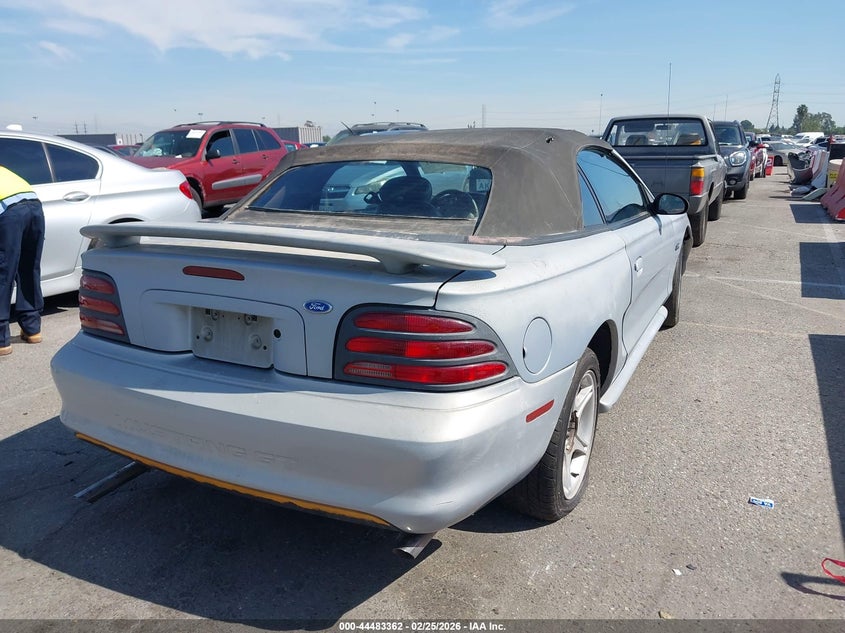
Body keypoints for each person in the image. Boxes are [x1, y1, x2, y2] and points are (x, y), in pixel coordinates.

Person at [0, 165, 45, 356]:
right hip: (34, 206)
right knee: (28, 268)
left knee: (3, 273)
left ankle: (1, 340)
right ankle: (32, 328)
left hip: (9, 212)